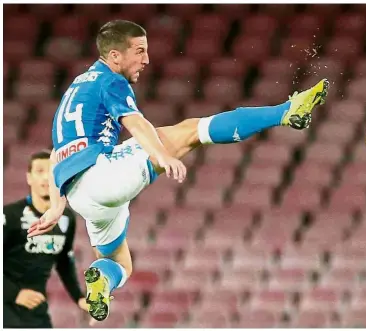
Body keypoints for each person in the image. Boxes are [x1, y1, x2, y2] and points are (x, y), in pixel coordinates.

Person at [27, 20, 329, 322]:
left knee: (117, 263)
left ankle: (100, 282)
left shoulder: (78, 85)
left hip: (80, 194)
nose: (146, 60)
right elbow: (136, 123)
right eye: (139, 51)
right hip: (102, 174)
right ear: (115, 56)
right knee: (191, 130)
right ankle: (286, 112)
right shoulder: (110, 80)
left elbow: (56, 154)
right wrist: (160, 155)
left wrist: (56, 206)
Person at [4, 150, 89, 328]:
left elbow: (64, 261)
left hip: (36, 309)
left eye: (51, 172)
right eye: (40, 171)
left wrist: (79, 297)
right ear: (29, 177)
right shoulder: (9, 216)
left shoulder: (66, 218)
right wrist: (13, 293)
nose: (45, 179)